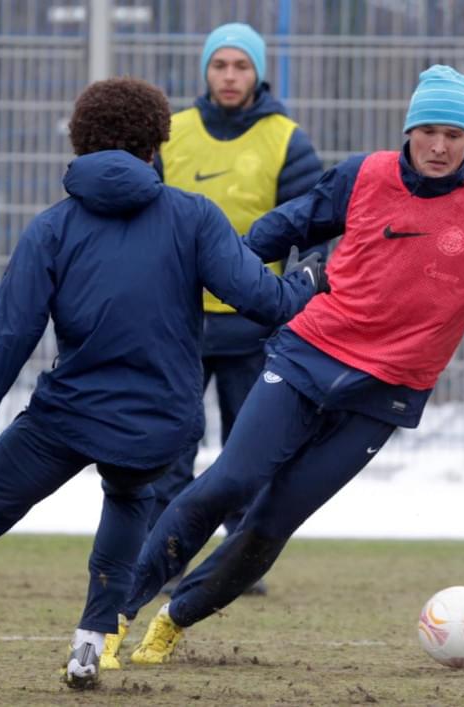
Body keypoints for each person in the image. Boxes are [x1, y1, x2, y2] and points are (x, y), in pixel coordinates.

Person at [0, 76, 325, 696]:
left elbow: (3, 348)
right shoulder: (195, 217)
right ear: (158, 144)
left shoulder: (51, 228)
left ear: (80, 141)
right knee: (126, 494)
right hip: (158, 424)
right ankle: (89, 647)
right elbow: (262, 300)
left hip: (65, 418)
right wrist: (308, 282)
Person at [98, 64, 464, 668]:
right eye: (428, 129)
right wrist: (231, 266)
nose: (439, 145)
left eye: (454, 135)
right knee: (228, 483)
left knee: (271, 524)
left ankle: (173, 620)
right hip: (307, 357)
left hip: (384, 395)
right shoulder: (363, 175)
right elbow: (287, 225)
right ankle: (114, 616)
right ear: (408, 130)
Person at [147, 22, 324, 598]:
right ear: (206, 70)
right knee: (171, 444)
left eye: (240, 66)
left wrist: (304, 291)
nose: (229, 76)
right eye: (220, 65)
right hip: (180, 323)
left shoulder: (286, 139)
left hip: (257, 324)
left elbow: (314, 228)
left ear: (257, 73)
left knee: (248, 453)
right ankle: (164, 553)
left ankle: (236, 561)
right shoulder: (170, 133)